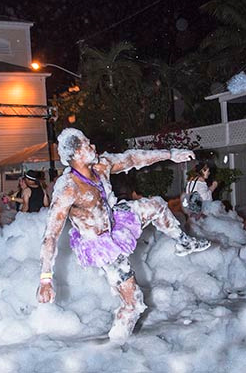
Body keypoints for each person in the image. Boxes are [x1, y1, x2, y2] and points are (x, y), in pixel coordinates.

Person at [36, 128, 211, 342]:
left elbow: (132, 157)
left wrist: (171, 154)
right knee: (134, 303)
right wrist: (46, 278)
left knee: (156, 205)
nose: (93, 147)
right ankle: (116, 346)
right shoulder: (68, 188)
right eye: (87, 144)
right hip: (100, 245)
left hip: (116, 219)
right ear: (76, 154)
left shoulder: (101, 165)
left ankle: (184, 242)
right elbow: (51, 234)